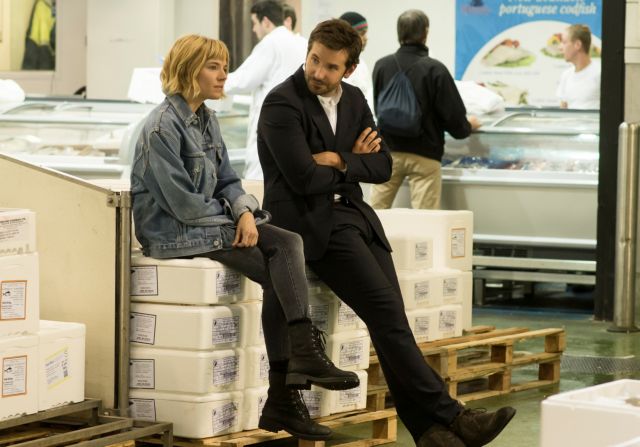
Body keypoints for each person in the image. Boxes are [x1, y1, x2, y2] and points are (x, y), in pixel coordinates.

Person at [257, 19, 515, 447]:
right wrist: (350, 161)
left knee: (392, 322)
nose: (318, 72)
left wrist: (337, 160)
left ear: (349, 69)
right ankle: (454, 417)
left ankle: (429, 433)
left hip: (356, 220)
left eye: (330, 66)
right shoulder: (282, 104)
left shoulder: (355, 99)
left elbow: (382, 166)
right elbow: (302, 178)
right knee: (388, 318)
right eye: (314, 60)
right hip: (311, 226)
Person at [130, 34, 359, 441]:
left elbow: (228, 180)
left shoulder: (207, 120)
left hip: (207, 224)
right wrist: (238, 218)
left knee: (288, 244)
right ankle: (287, 390)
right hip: (175, 233)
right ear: (189, 70)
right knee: (281, 270)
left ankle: (296, 365)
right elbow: (184, 205)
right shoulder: (161, 127)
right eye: (214, 67)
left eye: (224, 66)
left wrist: (245, 211)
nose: (224, 75)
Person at [370, 10, 479, 210]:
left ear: (399, 32)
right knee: (425, 219)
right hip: (425, 156)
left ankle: (367, 232)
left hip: (387, 153)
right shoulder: (435, 70)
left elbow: (378, 109)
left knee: (375, 212)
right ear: (425, 32)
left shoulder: (382, 66)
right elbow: (453, 118)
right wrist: (467, 127)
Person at [224, 0, 306, 180]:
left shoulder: (271, 43)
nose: (254, 29)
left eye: (254, 23)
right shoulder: (301, 43)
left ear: (266, 22)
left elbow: (242, 80)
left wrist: (209, 81)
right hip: (296, 128)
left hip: (270, 126)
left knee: (260, 181)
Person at [556, 24, 600, 109]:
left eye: (564, 42)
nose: (560, 47)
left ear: (578, 45)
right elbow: (563, 109)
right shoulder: (566, 75)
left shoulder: (600, 72)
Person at [339, 12, 375, 112]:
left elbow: (368, 96)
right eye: (362, 33)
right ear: (349, 35)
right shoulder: (336, 63)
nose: (366, 38)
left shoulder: (361, 64)